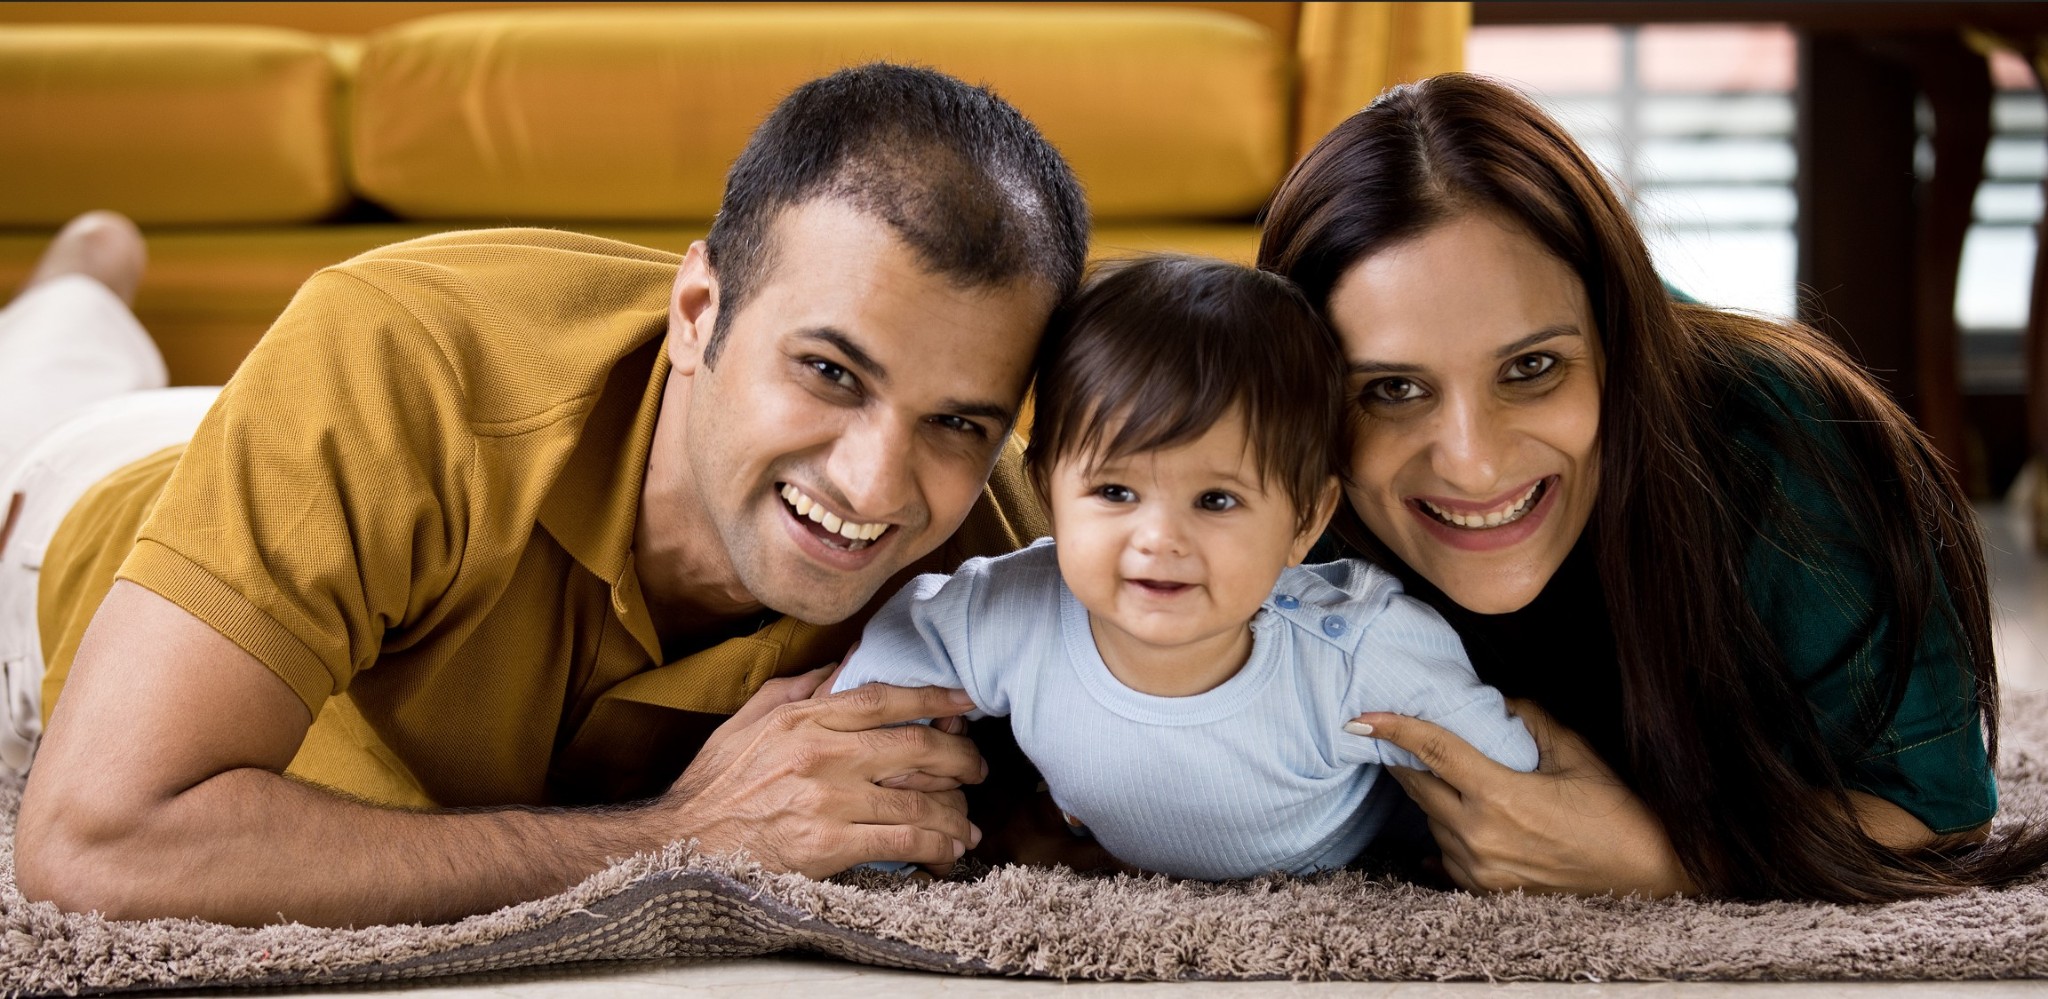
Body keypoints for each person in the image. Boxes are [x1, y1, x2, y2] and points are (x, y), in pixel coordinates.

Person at [8, 63, 1090, 927]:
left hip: (306, 465)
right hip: (75, 505)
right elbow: (94, 840)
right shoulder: (395, 362)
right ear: (698, 309)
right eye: (828, 373)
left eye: (958, 422)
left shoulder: (1001, 555)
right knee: (51, 370)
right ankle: (83, 277)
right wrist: (678, 838)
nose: (874, 483)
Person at [1255, 72, 2048, 903]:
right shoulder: (1263, 466)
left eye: (1532, 368)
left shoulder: (1783, 439)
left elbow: (1934, 810)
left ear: (1616, 339)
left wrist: (1658, 861)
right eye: (1391, 389)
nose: (1473, 463)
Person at [830, 256, 1536, 880]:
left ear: (1304, 521)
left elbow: (1500, 770)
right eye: (1115, 492)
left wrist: (1505, 838)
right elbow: (911, 643)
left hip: (1350, 855)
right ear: (1049, 490)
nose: (1160, 538)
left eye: (1217, 499)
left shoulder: (1354, 651)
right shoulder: (1014, 611)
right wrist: (885, 818)